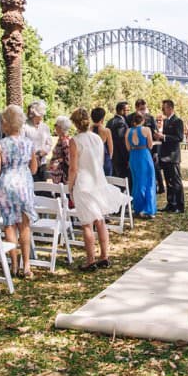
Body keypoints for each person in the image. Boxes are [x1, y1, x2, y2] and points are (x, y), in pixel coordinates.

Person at [67, 108, 124, 271]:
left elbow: (73, 168)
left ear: (75, 123)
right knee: (100, 221)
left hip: (84, 183)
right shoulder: (97, 139)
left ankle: (90, 260)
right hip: (98, 181)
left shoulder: (75, 141)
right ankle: (104, 256)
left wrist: (70, 187)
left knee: (86, 223)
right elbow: (101, 160)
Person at [0, 104, 38, 279]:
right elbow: (34, 169)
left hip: (7, 184)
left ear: (6, 124)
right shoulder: (28, 143)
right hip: (24, 184)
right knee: (24, 225)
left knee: (9, 225)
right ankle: (26, 265)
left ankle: (14, 265)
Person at [126, 112, 157, 218]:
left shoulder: (128, 131)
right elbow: (150, 145)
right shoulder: (146, 130)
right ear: (143, 120)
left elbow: (128, 148)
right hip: (144, 156)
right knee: (148, 181)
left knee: (137, 182)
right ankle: (148, 209)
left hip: (133, 157)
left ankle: (137, 208)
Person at [157, 99, 185, 213]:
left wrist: (163, 137)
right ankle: (171, 204)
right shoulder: (166, 121)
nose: (162, 110)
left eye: (164, 108)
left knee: (176, 181)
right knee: (168, 182)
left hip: (173, 157)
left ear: (170, 108)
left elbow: (179, 137)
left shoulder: (177, 121)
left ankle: (179, 205)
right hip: (165, 156)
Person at [134, 99, 163, 196]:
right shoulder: (131, 118)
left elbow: (156, 135)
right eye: (141, 109)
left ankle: (156, 188)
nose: (143, 110)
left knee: (152, 171)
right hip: (136, 150)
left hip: (149, 150)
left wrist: (156, 152)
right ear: (136, 108)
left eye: (144, 108)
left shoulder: (150, 118)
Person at [25, 101, 52, 182]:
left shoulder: (45, 127)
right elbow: (22, 143)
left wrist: (44, 151)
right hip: (29, 163)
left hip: (42, 163)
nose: (42, 116)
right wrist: (33, 156)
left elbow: (49, 143)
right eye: (41, 115)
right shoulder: (24, 126)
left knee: (43, 189)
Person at [47, 116, 73, 187]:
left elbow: (69, 159)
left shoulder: (65, 141)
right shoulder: (61, 139)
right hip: (57, 177)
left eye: (56, 125)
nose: (54, 127)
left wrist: (58, 161)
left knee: (62, 196)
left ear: (61, 127)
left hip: (62, 178)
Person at [108, 101, 130, 180]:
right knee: (123, 181)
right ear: (121, 111)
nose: (128, 112)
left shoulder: (110, 122)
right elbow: (122, 142)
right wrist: (127, 158)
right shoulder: (121, 123)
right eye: (127, 110)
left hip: (112, 157)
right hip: (121, 158)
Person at [90, 106, 114, 177]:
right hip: (104, 158)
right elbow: (111, 149)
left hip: (92, 159)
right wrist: (109, 159)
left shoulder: (88, 130)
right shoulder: (106, 131)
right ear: (102, 118)